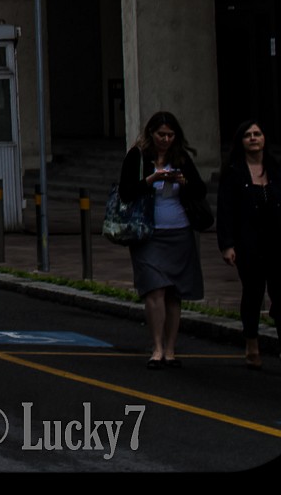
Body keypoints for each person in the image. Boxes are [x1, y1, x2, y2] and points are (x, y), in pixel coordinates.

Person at [117, 110, 213, 369]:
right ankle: (156, 347)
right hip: (147, 233)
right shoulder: (137, 156)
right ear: (151, 133)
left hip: (179, 231)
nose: (166, 139)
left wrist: (184, 180)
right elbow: (125, 192)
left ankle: (170, 350)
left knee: (173, 292)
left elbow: (200, 190)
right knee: (154, 287)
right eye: (161, 134)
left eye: (170, 135)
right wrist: (151, 179)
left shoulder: (180, 158)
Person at [216, 120, 281, 376]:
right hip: (250, 246)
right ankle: (251, 344)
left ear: (264, 138)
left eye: (257, 134)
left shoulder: (279, 169)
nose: (253, 138)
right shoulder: (234, 172)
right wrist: (227, 245)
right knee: (253, 293)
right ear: (241, 141)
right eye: (248, 135)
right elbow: (225, 211)